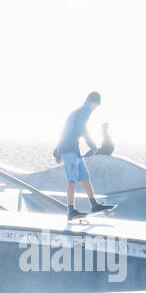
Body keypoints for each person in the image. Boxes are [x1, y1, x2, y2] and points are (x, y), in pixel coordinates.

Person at [52, 90, 113, 220]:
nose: (96, 108)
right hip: (69, 149)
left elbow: (64, 130)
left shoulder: (77, 111)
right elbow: (82, 128)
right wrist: (92, 145)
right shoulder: (85, 110)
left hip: (72, 148)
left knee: (85, 176)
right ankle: (71, 210)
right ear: (95, 102)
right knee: (72, 179)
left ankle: (94, 204)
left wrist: (58, 151)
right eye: (97, 105)